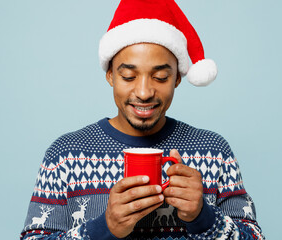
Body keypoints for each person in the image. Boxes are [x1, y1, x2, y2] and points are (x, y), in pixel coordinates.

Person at [20, 0, 264, 239]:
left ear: (177, 78)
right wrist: (104, 229)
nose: (144, 92)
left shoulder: (214, 151)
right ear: (110, 75)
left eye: (159, 77)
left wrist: (204, 217)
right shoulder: (65, 155)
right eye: (128, 76)